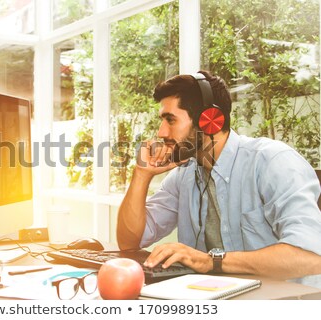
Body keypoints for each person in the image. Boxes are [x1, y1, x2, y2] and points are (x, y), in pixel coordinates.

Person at [117, 70, 321, 288]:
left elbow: (311, 257)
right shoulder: (184, 174)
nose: (161, 132)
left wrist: (208, 261)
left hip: (286, 302)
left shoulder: (271, 162)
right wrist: (141, 175)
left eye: (170, 120)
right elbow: (130, 242)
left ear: (208, 121)